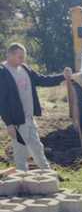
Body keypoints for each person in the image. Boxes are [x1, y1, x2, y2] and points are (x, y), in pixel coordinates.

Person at [0, 43, 72, 171]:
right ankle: (23, 179)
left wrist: (62, 77)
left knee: (37, 146)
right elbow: (2, 102)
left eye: (24, 57)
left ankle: (47, 172)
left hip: (29, 117)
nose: (23, 60)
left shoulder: (25, 69)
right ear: (9, 55)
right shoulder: (3, 72)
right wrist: (9, 124)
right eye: (20, 57)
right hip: (16, 120)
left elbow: (42, 80)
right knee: (21, 151)